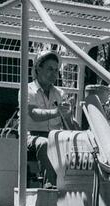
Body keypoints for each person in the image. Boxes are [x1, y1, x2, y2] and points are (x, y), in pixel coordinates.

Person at [24, 50, 77, 187]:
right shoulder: (27, 90)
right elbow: (33, 114)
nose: (54, 73)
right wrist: (56, 112)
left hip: (55, 136)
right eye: (50, 69)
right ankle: (50, 186)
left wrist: (68, 116)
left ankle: (75, 187)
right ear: (38, 69)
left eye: (56, 70)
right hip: (29, 136)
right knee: (45, 144)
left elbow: (69, 126)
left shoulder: (60, 94)